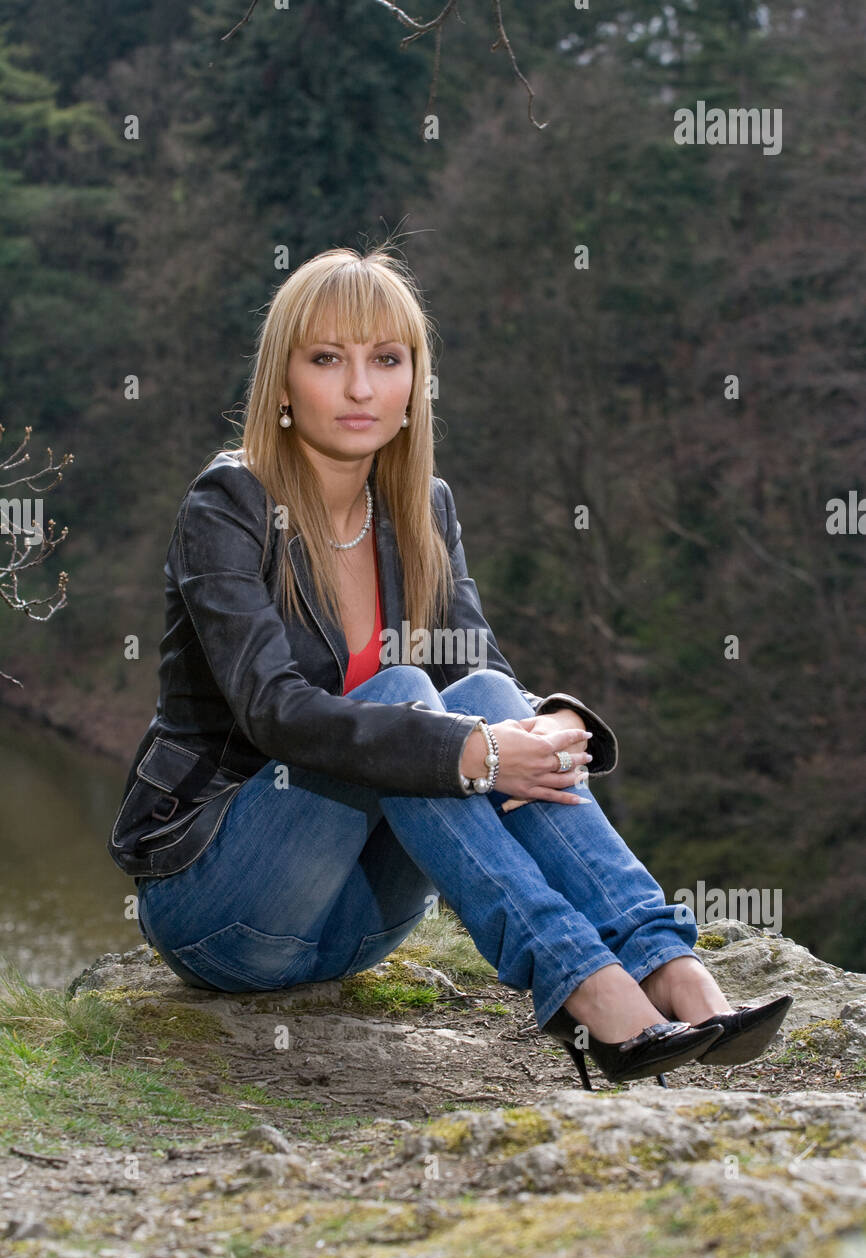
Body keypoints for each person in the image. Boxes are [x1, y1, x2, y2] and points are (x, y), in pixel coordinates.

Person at [107, 244, 791, 1089]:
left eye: (385, 361)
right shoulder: (230, 503)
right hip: (227, 908)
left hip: (359, 925)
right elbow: (274, 712)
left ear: (414, 382)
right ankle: (590, 989)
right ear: (280, 383)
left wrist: (551, 722)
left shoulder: (420, 506)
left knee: (489, 694)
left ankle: (665, 964)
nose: (361, 389)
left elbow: (484, 669)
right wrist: (468, 752)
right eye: (328, 359)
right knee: (401, 693)